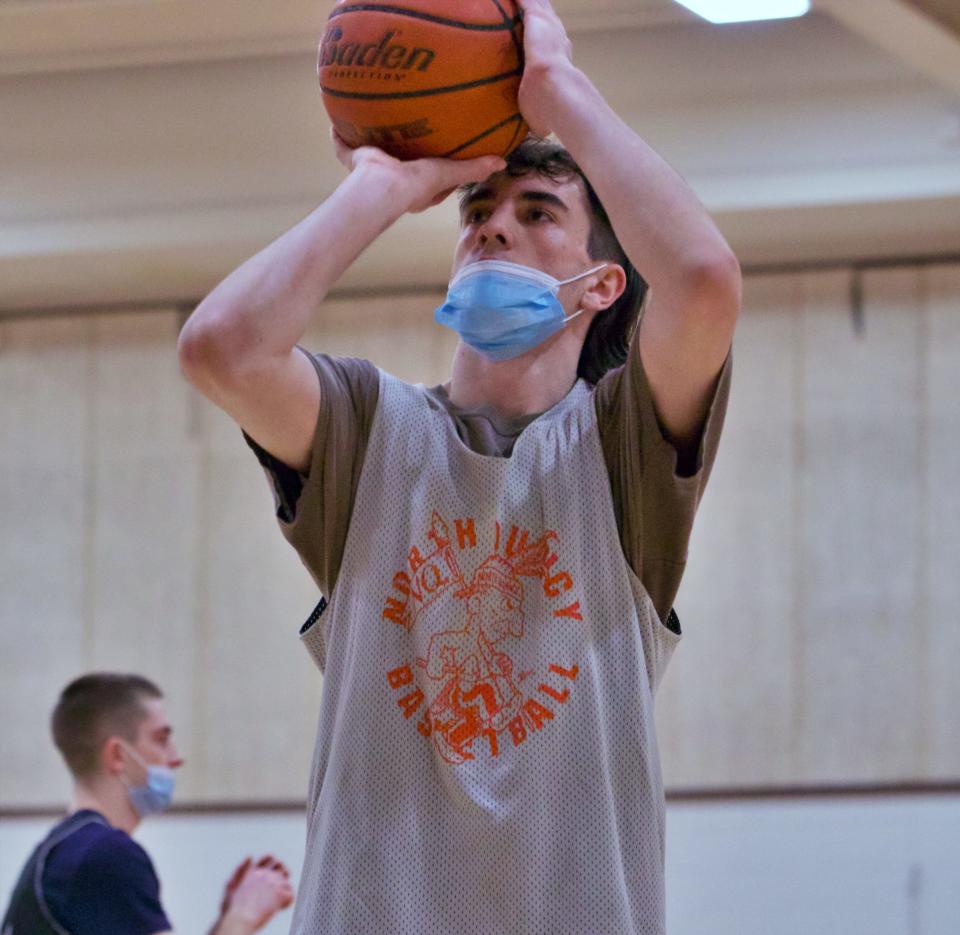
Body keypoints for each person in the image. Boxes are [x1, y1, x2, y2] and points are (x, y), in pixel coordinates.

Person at [176, 0, 740, 930]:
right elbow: (220, 348)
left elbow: (706, 280)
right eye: (476, 210)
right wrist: (382, 185)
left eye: (537, 212)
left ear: (601, 285)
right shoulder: (368, 431)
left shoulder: (621, 448)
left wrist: (559, 92)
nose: (492, 226)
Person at [1, 674, 294, 935]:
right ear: (118, 755)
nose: (176, 758)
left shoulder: (69, 851)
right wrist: (243, 917)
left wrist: (227, 920)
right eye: (161, 739)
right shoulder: (104, 857)